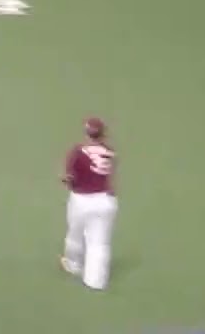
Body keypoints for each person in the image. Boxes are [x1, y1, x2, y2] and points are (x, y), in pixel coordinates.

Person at [61, 117, 118, 291]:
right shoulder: (110, 152)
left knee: (75, 233)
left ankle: (73, 264)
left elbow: (70, 178)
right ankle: (96, 281)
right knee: (99, 242)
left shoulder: (78, 152)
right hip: (106, 201)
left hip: (82, 200)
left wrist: (67, 181)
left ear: (87, 133)